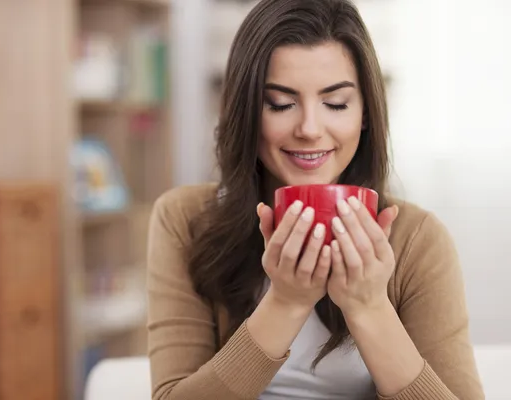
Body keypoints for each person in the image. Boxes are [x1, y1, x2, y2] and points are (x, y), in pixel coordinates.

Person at [146, 0, 484, 399]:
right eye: (280, 104)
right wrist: (286, 302)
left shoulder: (417, 239)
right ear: (247, 111)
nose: (309, 128)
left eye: (335, 103)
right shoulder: (184, 219)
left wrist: (369, 307)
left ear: (365, 114)